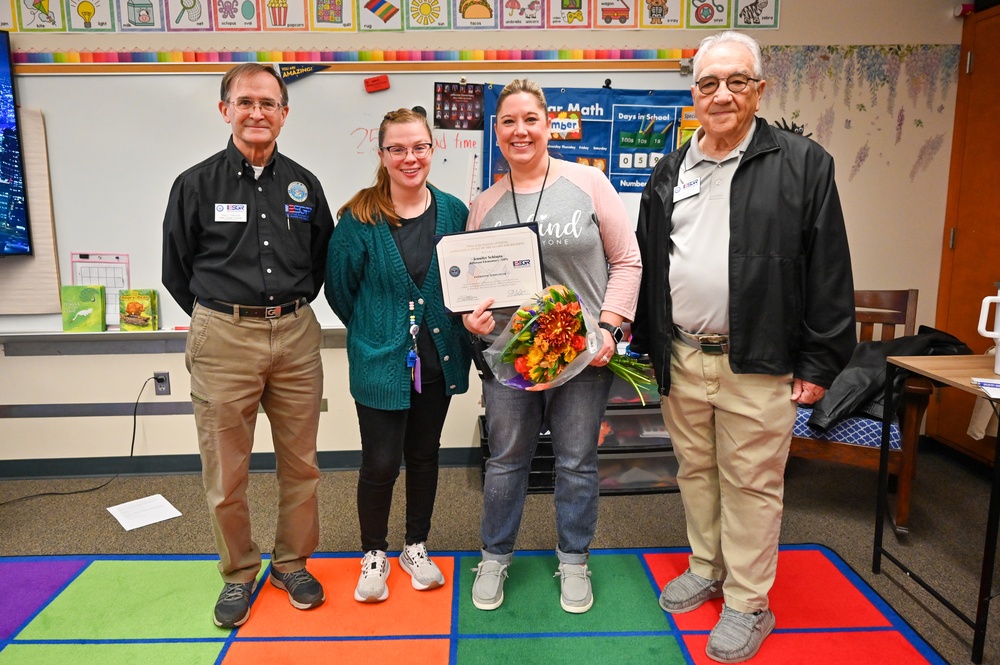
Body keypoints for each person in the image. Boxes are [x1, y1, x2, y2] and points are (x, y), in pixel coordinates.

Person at [631, 31, 856, 663]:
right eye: (708, 83)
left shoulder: (803, 163)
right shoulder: (671, 169)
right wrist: (650, 343)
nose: (721, 95)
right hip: (682, 353)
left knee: (754, 483)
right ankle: (706, 567)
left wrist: (820, 361)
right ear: (693, 94)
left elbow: (829, 268)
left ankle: (748, 601)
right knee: (696, 471)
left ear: (759, 89)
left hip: (759, 359)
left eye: (736, 81)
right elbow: (654, 262)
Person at [161, 62, 334, 629]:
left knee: (301, 464)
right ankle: (238, 573)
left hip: (296, 333)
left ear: (284, 113)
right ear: (225, 110)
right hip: (222, 335)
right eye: (245, 102)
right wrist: (222, 320)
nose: (257, 112)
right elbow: (176, 269)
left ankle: (291, 563)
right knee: (226, 471)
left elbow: (320, 258)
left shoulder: (304, 185)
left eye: (269, 103)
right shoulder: (194, 184)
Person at [462, 79, 642, 614]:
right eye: (508, 121)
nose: (520, 130)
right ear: (496, 132)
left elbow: (627, 261)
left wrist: (610, 328)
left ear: (548, 125)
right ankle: (494, 556)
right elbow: (474, 288)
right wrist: (473, 321)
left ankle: (574, 560)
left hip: (585, 358)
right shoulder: (484, 205)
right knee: (506, 460)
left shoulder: (589, 184)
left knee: (577, 462)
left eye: (530, 119)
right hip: (511, 361)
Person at [325, 107, 472, 603]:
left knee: (424, 457)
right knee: (381, 462)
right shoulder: (359, 218)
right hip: (380, 362)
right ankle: (374, 553)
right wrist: (376, 331)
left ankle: (415, 546)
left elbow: (461, 283)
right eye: (398, 149)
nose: (410, 158)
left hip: (437, 359)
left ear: (432, 150)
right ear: (383, 155)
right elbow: (340, 292)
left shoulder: (454, 211)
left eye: (419, 147)